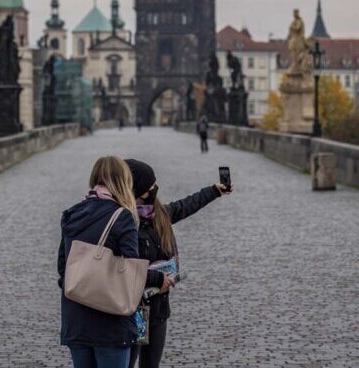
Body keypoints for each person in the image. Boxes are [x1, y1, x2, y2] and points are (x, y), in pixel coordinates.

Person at [124, 158, 232, 368]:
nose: (156, 188)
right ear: (137, 190)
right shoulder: (125, 224)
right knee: (127, 362)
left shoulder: (159, 215)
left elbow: (187, 205)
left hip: (159, 308)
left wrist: (214, 191)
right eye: (151, 185)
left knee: (151, 364)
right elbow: (123, 267)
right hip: (135, 309)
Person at [59, 157, 142, 368]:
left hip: (76, 319)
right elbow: (131, 273)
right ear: (123, 181)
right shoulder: (122, 217)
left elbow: (63, 268)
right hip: (111, 324)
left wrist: (83, 289)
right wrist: (159, 278)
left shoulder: (72, 213)